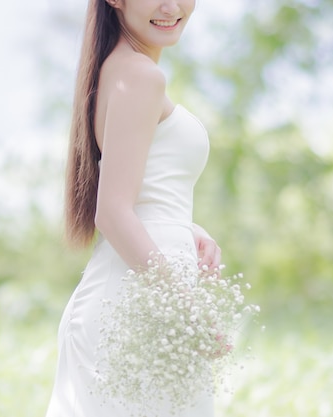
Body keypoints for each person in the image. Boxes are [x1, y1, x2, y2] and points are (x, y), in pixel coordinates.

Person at [44, 0, 222, 416]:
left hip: (138, 299)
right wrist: (185, 308)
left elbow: (135, 193)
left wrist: (183, 228)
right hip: (134, 307)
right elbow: (111, 212)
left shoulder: (121, 69)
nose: (171, 6)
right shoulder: (139, 76)